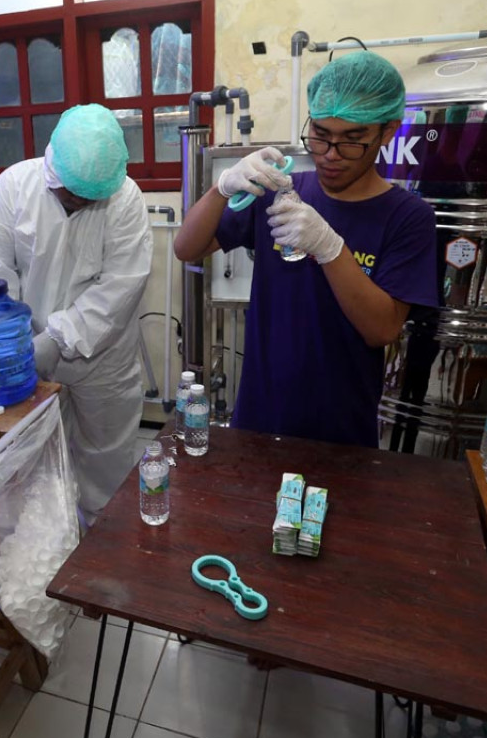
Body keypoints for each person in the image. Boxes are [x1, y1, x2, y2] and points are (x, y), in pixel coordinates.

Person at [174, 51, 438, 447]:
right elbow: (186, 248)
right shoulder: (282, 191)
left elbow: (381, 329)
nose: (331, 154)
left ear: (386, 133)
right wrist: (220, 188)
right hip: (260, 413)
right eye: (320, 135)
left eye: (352, 140)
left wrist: (331, 249)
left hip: (339, 425)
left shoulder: (407, 216)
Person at [0, 104, 152, 519]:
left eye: (88, 198)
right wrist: (16, 346)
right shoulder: (12, 189)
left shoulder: (125, 201)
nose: (75, 202)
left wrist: (57, 338)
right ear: (52, 166)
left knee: (104, 463)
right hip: (24, 358)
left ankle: (101, 560)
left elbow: (119, 289)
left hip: (102, 358)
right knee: (30, 467)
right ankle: (42, 556)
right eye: (68, 192)